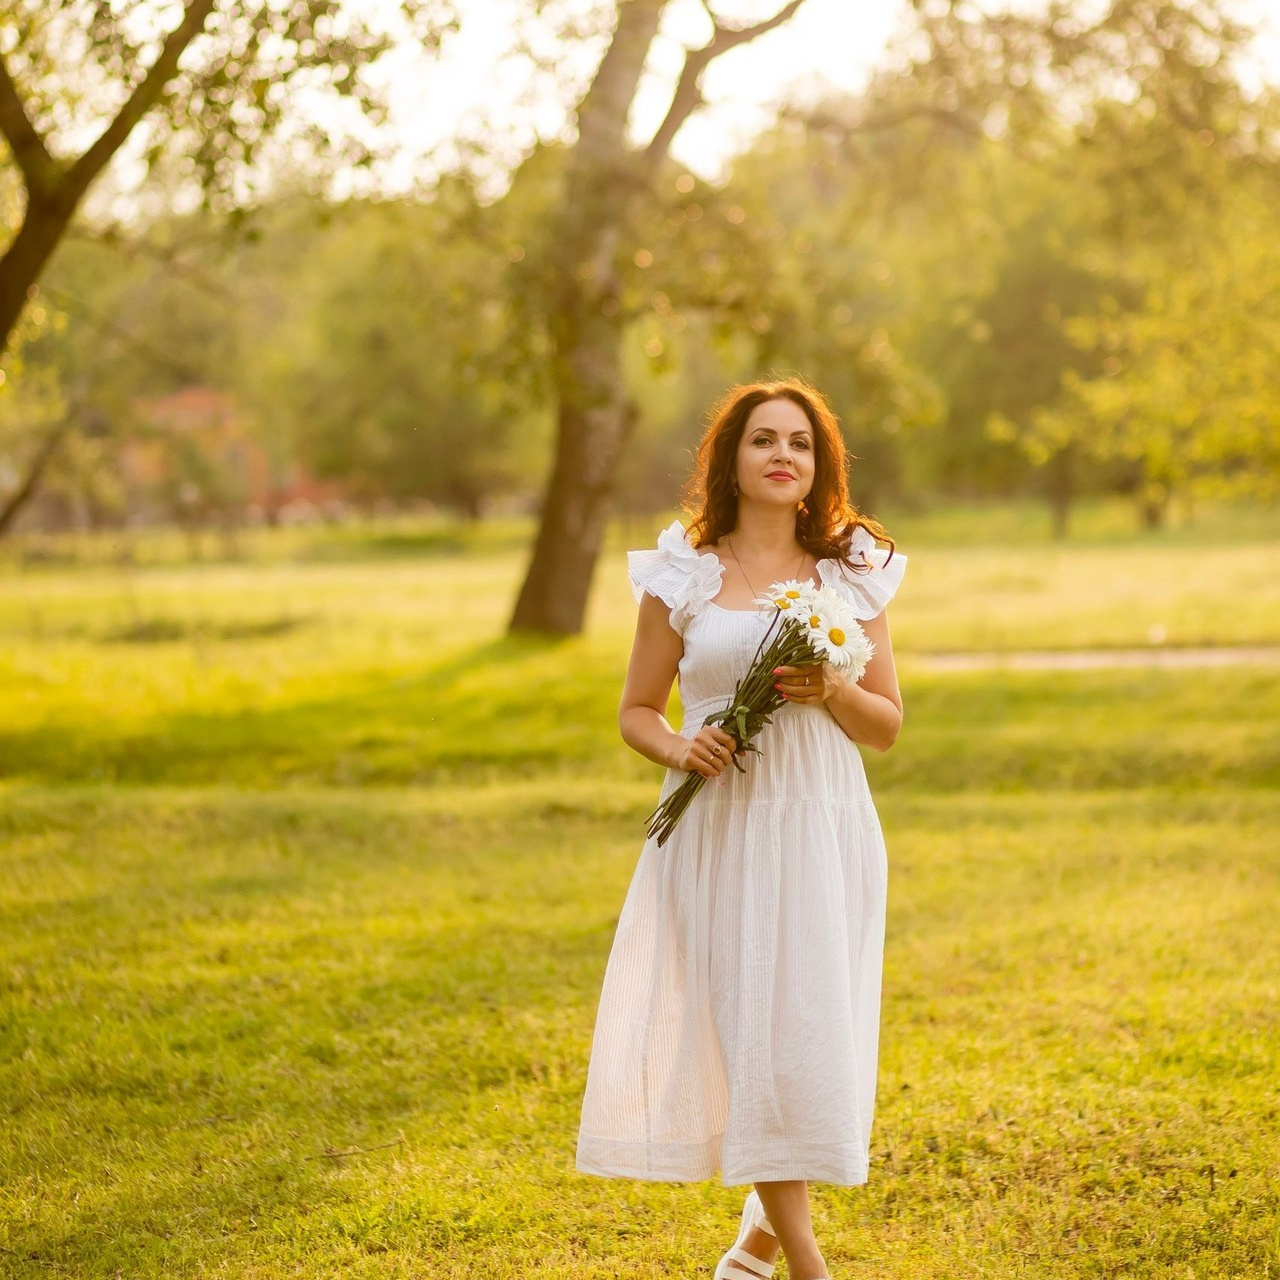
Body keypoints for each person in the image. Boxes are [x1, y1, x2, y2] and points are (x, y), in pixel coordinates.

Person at [575, 378, 907, 1280]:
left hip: (824, 826)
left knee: (804, 1039)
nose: (781, 456)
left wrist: (834, 687)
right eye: (763, 439)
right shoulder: (681, 570)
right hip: (720, 830)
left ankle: (752, 1254)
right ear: (731, 458)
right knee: (752, 1037)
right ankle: (807, 1265)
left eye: (799, 443)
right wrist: (682, 749)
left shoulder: (852, 571)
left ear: (817, 465)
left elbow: (886, 725)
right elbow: (637, 710)